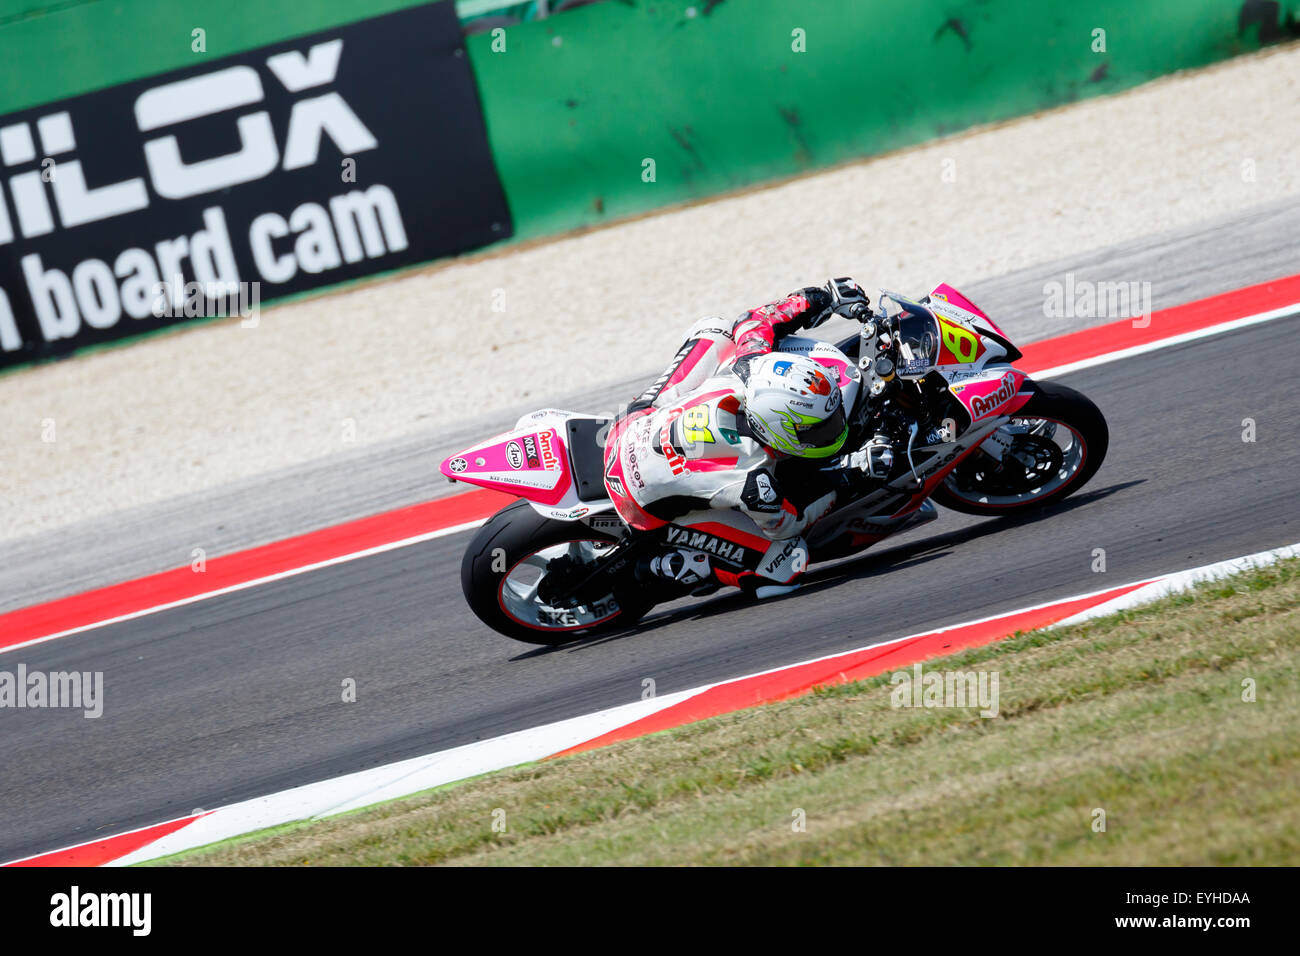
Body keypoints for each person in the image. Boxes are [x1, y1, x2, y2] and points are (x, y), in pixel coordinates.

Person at [605, 278, 872, 595]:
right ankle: (691, 565)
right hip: (640, 501)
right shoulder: (753, 481)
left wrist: (824, 297)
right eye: (818, 428)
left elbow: (756, 321)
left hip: (633, 424)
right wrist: (852, 474)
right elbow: (788, 522)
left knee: (716, 329)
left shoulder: (749, 364)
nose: (832, 428)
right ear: (778, 428)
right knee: (787, 562)